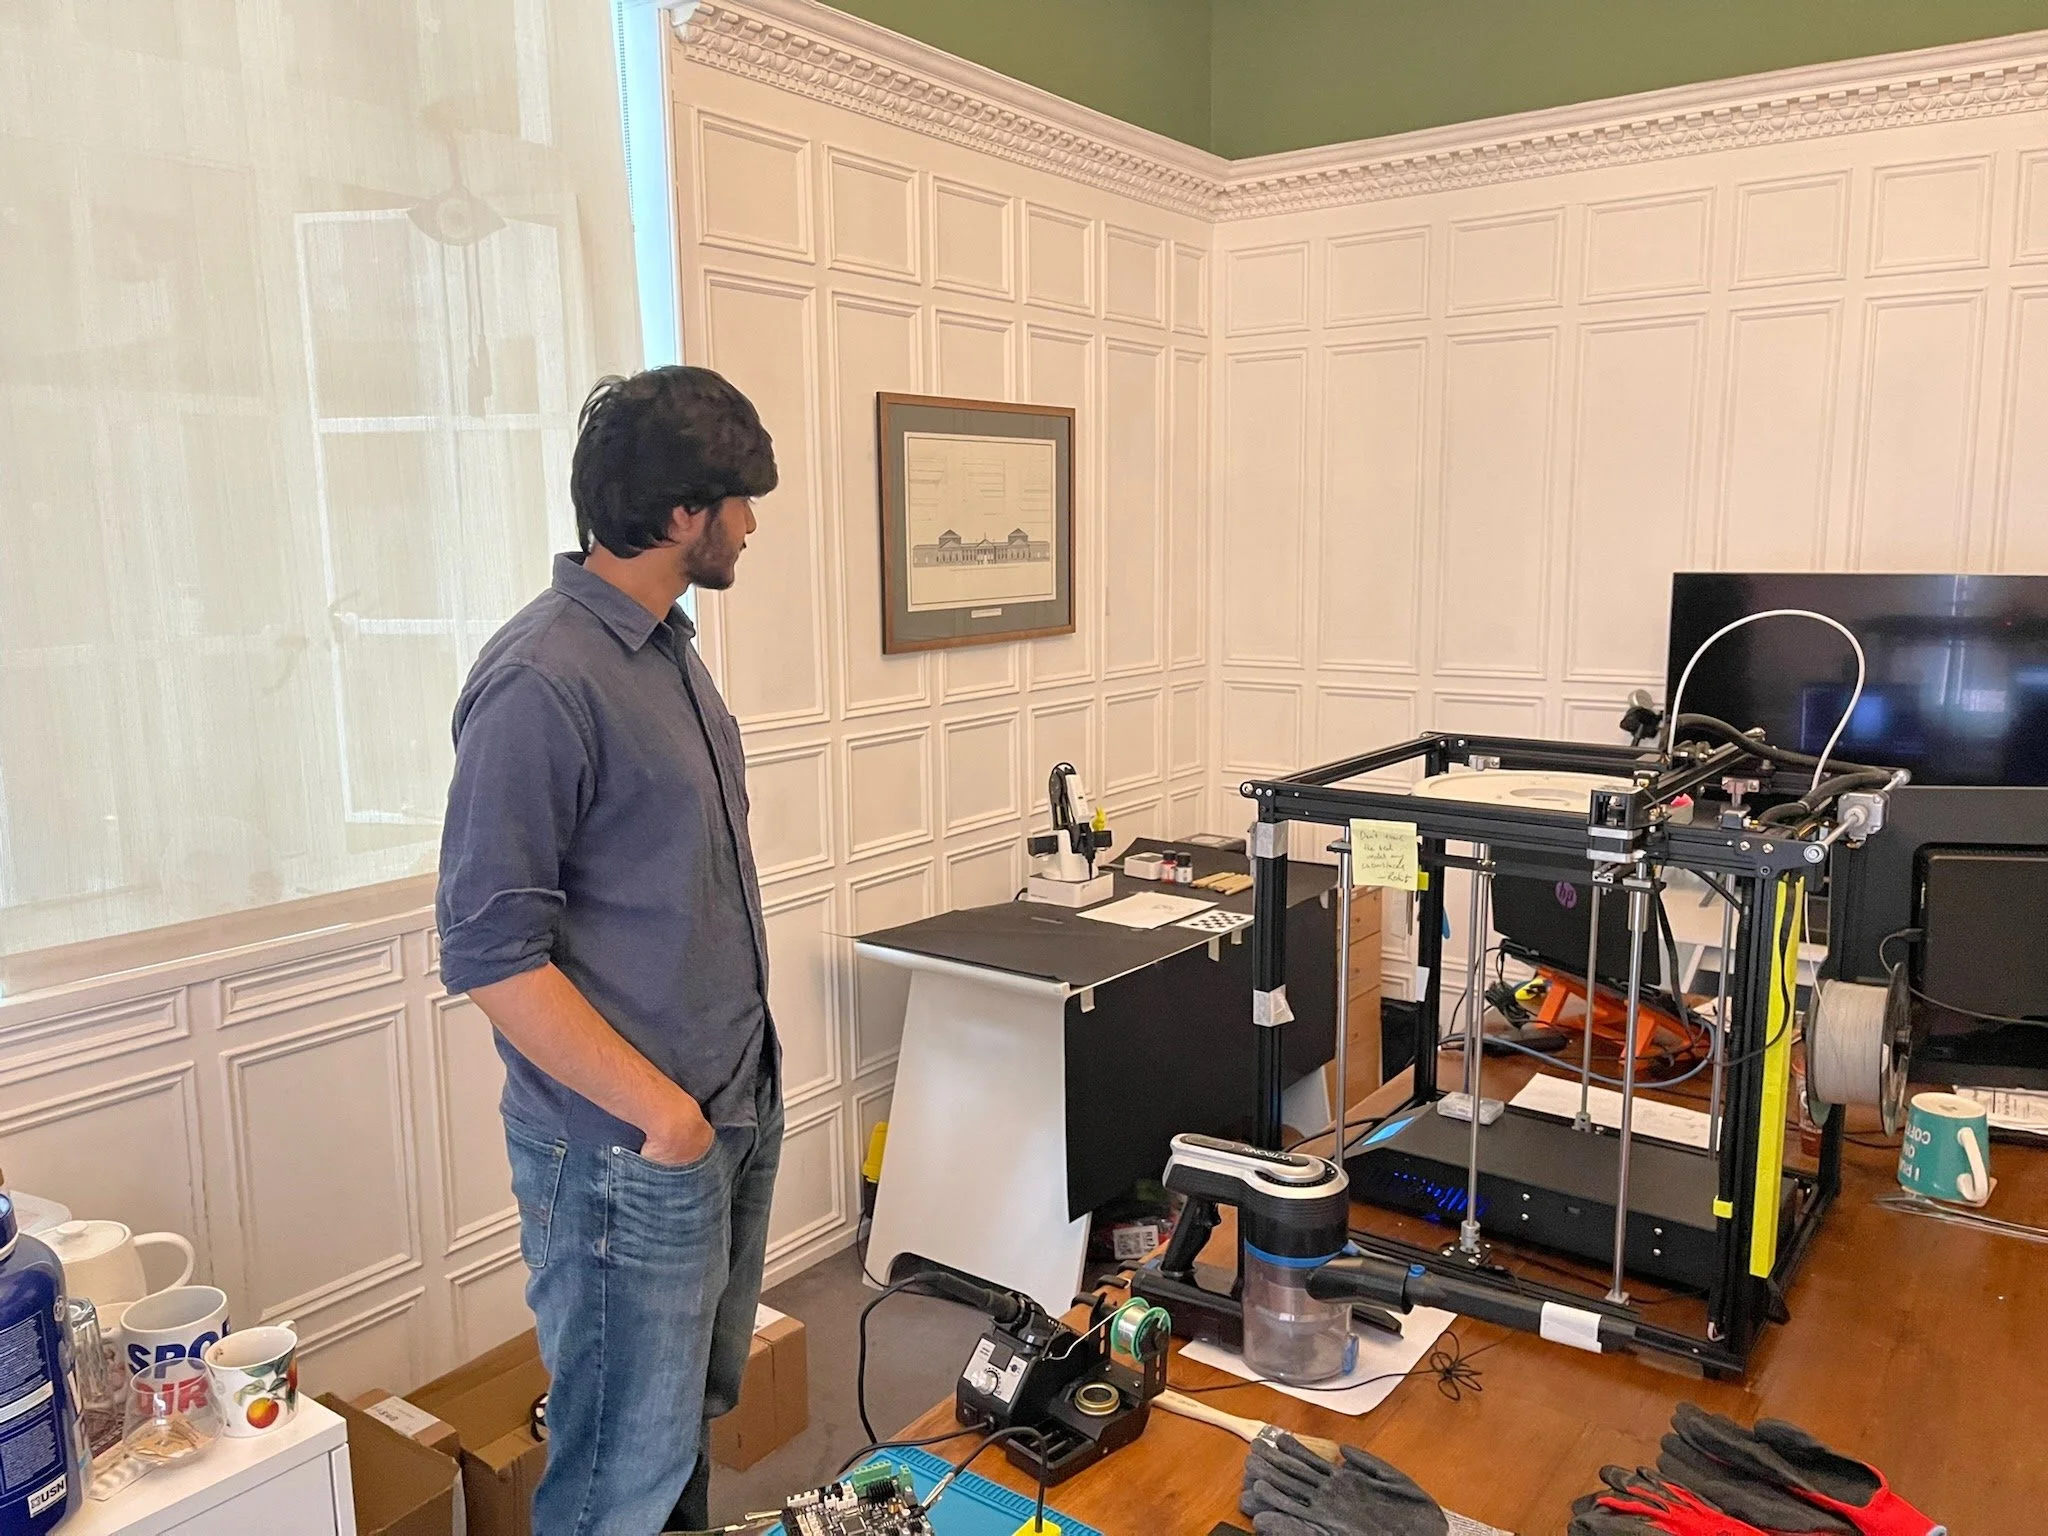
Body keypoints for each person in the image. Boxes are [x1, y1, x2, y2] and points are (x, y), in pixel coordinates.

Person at [436, 366, 781, 1534]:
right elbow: (489, 953)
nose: (749, 523)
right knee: (612, 1472)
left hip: (723, 1107)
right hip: (629, 1151)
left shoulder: (666, 648)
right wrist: (664, 1119)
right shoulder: (540, 678)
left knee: (678, 1421)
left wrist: (722, 1106)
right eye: (738, 500)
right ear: (682, 513)